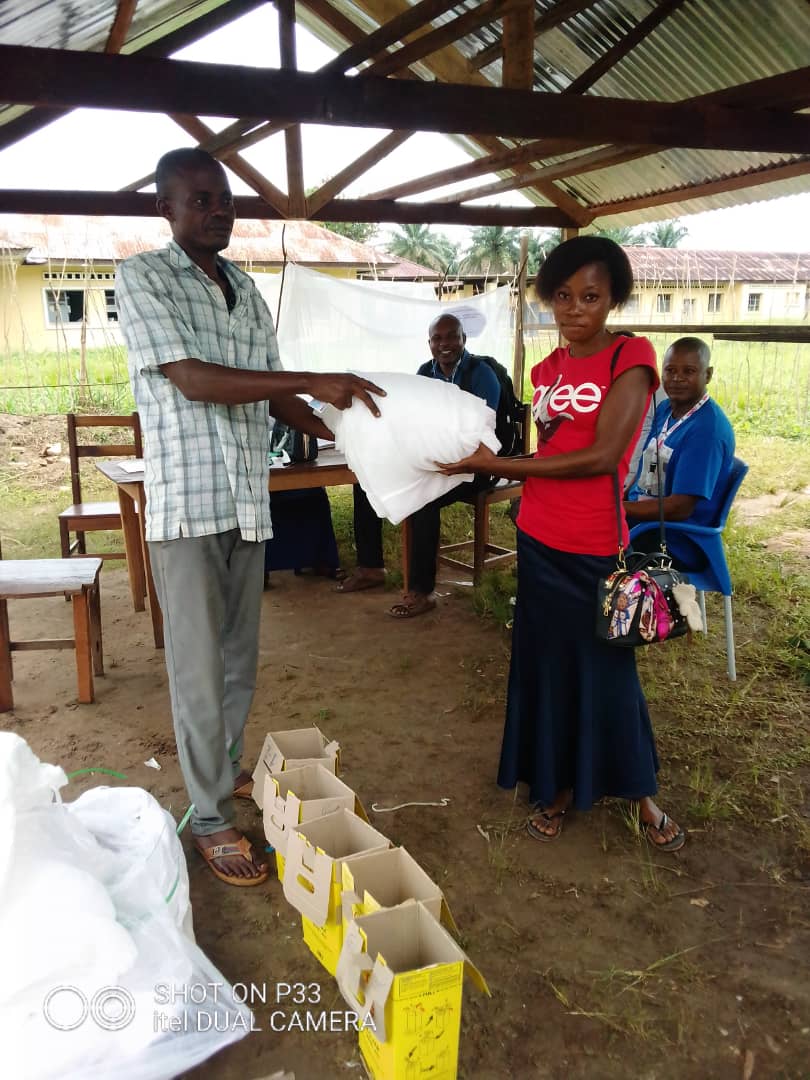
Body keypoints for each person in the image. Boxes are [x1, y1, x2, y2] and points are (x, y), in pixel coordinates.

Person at [115, 147, 383, 887]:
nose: (217, 210)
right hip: (189, 507)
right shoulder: (143, 280)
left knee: (239, 660)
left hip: (245, 500)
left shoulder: (243, 288)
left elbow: (271, 395)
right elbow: (195, 380)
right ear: (164, 209)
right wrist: (308, 377)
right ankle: (207, 818)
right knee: (198, 669)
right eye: (199, 200)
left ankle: (221, 771)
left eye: (224, 199)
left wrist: (349, 427)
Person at [438, 236, 685, 852]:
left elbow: (602, 458)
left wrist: (505, 465)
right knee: (547, 665)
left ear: (613, 300)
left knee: (608, 669)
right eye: (564, 296)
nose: (576, 309)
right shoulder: (546, 370)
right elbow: (548, 448)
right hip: (538, 538)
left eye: (592, 297)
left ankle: (640, 793)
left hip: (594, 544)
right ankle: (558, 786)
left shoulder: (631, 358)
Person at [336, 312, 501, 619]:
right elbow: (413, 421)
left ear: (464, 339)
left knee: (422, 503)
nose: (445, 344)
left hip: (476, 466)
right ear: (429, 344)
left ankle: (421, 591)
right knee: (365, 482)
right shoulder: (425, 372)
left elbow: (483, 429)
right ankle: (371, 568)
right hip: (432, 462)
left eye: (452, 336)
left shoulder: (482, 373)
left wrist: (450, 461)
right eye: (438, 338)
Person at [624, 337, 735, 569]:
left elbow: (679, 508)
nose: (677, 378)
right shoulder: (666, 408)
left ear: (708, 374)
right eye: (670, 370)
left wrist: (617, 509)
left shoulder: (707, 430)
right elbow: (647, 462)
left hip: (676, 538)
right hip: (647, 518)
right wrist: (623, 496)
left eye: (689, 371)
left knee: (587, 545)